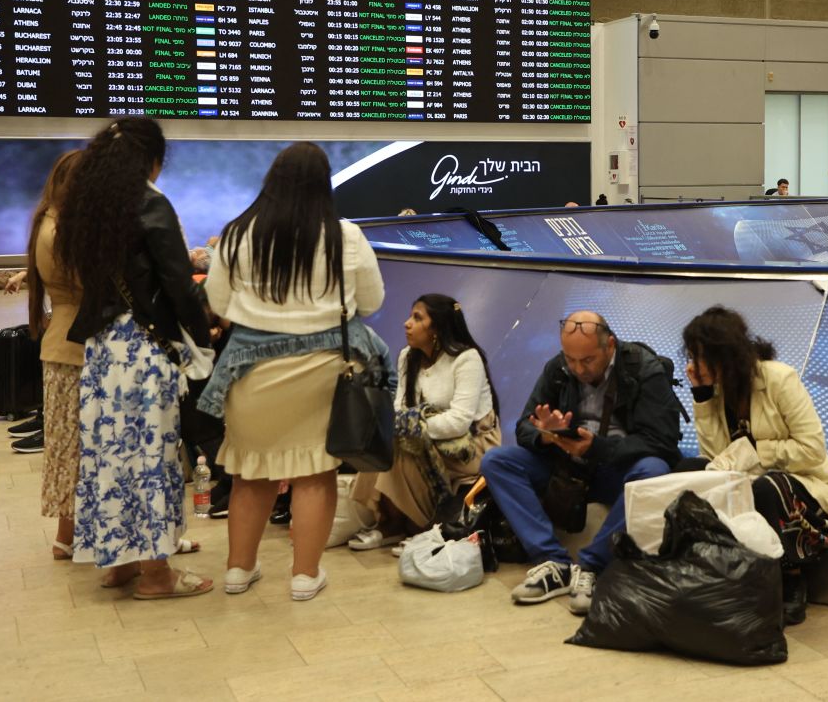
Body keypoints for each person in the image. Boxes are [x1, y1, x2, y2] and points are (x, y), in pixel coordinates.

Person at [200, 142, 385, 601]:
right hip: (323, 370)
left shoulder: (238, 235)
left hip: (251, 371)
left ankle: (238, 571)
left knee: (250, 473)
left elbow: (218, 303)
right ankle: (305, 576)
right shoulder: (347, 236)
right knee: (313, 473)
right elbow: (373, 301)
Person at [58, 118, 213, 598]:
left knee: (110, 457)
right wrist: (203, 333)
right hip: (146, 351)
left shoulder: (89, 209)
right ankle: (158, 574)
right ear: (152, 159)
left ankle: (118, 564)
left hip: (104, 351)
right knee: (152, 457)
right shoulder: (150, 204)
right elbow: (177, 284)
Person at [480, 310, 682, 615]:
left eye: (586, 361)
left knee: (654, 470)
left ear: (610, 345)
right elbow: (524, 427)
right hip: (568, 464)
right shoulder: (558, 369)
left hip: (616, 467)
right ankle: (553, 563)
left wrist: (596, 448)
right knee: (497, 460)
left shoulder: (644, 368)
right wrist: (546, 435)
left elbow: (662, 442)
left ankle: (591, 566)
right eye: (570, 359)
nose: (577, 368)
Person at [676, 306, 828, 626]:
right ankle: (704, 570)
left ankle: (791, 578)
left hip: (803, 484)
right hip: (747, 480)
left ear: (725, 354)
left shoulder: (779, 378)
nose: (694, 366)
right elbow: (715, 457)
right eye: (693, 356)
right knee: (688, 468)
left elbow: (813, 450)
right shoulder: (719, 389)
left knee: (766, 487)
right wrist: (702, 397)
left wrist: (757, 451)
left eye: (701, 357)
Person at [349, 294, 501, 550]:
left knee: (399, 442)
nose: (407, 323)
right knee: (384, 440)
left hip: (472, 446)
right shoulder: (408, 356)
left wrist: (412, 428)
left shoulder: (467, 358)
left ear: (437, 328)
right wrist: (402, 427)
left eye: (417, 318)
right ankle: (390, 524)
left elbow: (460, 422)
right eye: (410, 316)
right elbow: (399, 407)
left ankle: (415, 527)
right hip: (428, 438)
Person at [22, 150, 83, 551]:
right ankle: (68, 534)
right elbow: (90, 285)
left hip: (60, 342)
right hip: (75, 346)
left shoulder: (46, 222)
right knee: (75, 446)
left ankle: (67, 535)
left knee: (65, 445)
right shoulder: (63, 232)